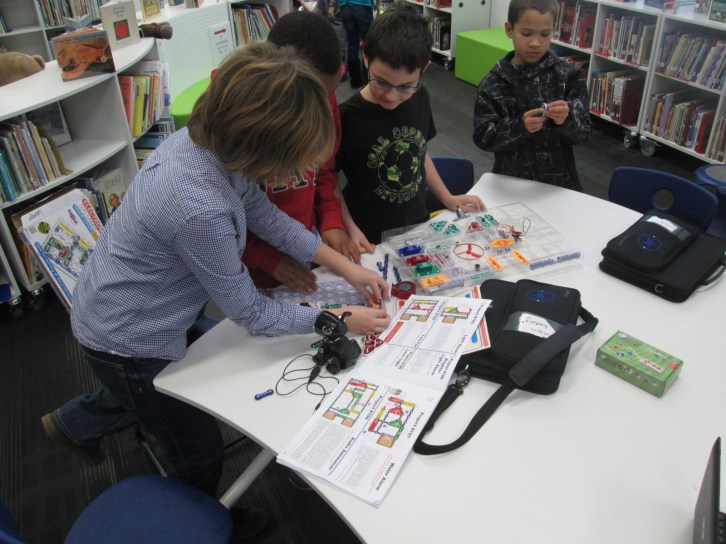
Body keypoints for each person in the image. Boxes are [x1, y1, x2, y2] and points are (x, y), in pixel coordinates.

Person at [41, 42, 390, 538]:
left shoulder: (204, 145)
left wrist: (342, 267)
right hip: (130, 333)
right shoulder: (199, 208)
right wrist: (336, 319)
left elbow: (263, 214)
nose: (296, 177)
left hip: (131, 305)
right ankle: (202, 518)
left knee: (154, 387)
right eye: (290, 164)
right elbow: (251, 312)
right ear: (257, 145)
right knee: (195, 446)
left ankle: (75, 423)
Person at [335, 3, 486, 246]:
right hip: (368, 235)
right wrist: (348, 228)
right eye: (381, 82)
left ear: (424, 68)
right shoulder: (346, 117)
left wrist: (447, 198)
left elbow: (420, 152)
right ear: (366, 58)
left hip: (416, 224)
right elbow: (330, 182)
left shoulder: (420, 96)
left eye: (405, 86)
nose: (391, 96)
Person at [243, 12, 357, 293]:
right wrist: (266, 259)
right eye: (314, 99)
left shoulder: (321, 93)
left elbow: (325, 169)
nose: (320, 109)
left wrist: (331, 219)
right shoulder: (242, 121)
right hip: (254, 273)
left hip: (309, 252)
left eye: (327, 97)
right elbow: (229, 218)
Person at [472, 0, 591, 191]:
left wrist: (566, 119)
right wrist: (519, 127)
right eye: (526, 34)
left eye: (544, 34)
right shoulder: (494, 83)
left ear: (553, 31)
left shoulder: (568, 76)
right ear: (509, 29)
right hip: (511, 184)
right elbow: (483, 137)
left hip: (559, 186)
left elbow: (584, 133)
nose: (535, 43)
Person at [339, 0, 377, 88]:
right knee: (368, 43)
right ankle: (366, 81)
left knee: (352, 43)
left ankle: (355, 81)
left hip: (344, 6)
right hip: (362, 5)